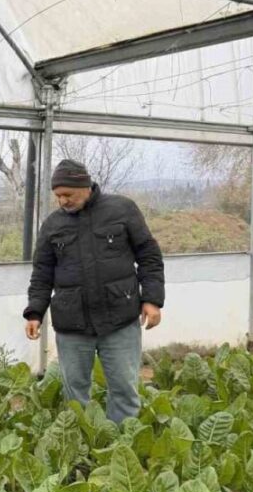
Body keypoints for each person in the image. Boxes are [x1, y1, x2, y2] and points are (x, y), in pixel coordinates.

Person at [24, 159, 165, 423]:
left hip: (120, 319)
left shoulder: (122, 210)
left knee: (124, 389)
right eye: (58, 195)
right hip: (72, 323)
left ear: (85, 186)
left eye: (68, 194)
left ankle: (121, 441)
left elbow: (149, 255)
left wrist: (152, 299)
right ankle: (82, 441)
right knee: (75, 393)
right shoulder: (53, 225)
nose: (62, 201)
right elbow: (42, 273)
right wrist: (34, 312)